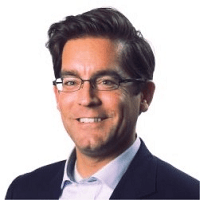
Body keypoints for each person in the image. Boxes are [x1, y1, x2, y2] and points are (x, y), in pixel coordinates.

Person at [5, 7, 199, 200]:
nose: (87, 99)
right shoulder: (23, 191)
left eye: (106, 82)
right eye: (71, 82)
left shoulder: (188, 194)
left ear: (145, 96)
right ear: (58, 95)